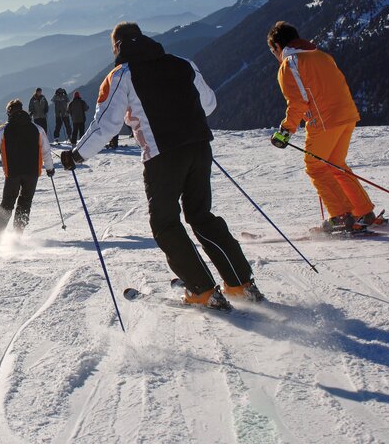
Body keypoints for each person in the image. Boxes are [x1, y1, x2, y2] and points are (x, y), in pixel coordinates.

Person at [60, 22, 262, 310]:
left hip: (163, 155)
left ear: (116, 46)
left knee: (165, 222)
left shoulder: (122, 75)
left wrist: (77, 155)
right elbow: (209, 103)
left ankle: (202, 289)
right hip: (199, 145)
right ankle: (240, 283)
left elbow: (106, 125)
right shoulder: (182, 63)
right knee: (201, 215)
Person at [267, 21, 376, 232]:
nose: (274, 55)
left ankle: (342, 216)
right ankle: (363, 211)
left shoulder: (290, 63)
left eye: (273, 50)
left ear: (278, 46)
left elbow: (297, 102)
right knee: (335, 163)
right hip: (347, 115)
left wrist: (285, 131)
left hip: (325, 120)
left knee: (315, 166)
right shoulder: (322, 56)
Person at [0, 99, 55, 243]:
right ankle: (18, 232)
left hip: (13, 172)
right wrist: (49, 168)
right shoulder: (36, 128)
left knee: (7, 203)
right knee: (25, 201)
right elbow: (46, 150)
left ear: (9, 112)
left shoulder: (4, 129)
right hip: (32, 172)